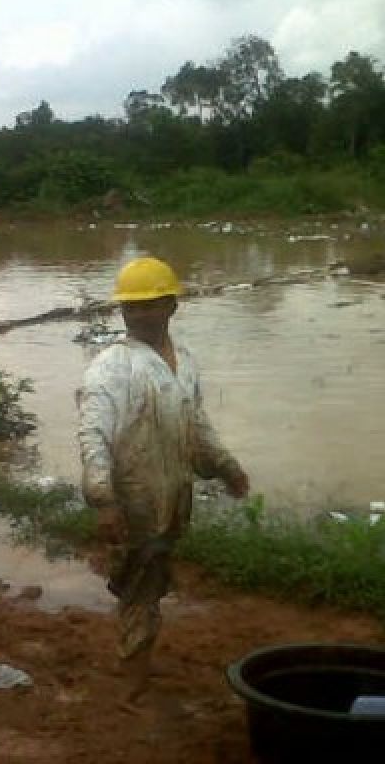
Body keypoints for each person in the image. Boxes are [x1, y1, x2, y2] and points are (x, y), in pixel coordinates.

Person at [77, 256, 249, 706]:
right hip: (134, 501)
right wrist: (102, 499)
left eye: (150, 305)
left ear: (172, 306)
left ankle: (137, 663)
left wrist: (226, 465)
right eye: (131, 307)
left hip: (173, 496)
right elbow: (93, 434)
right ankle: (132, 683)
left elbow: (195, 424)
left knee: (149, 581)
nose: (138, 315)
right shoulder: (111, 367)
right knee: (139, 589)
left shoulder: (183, 362)